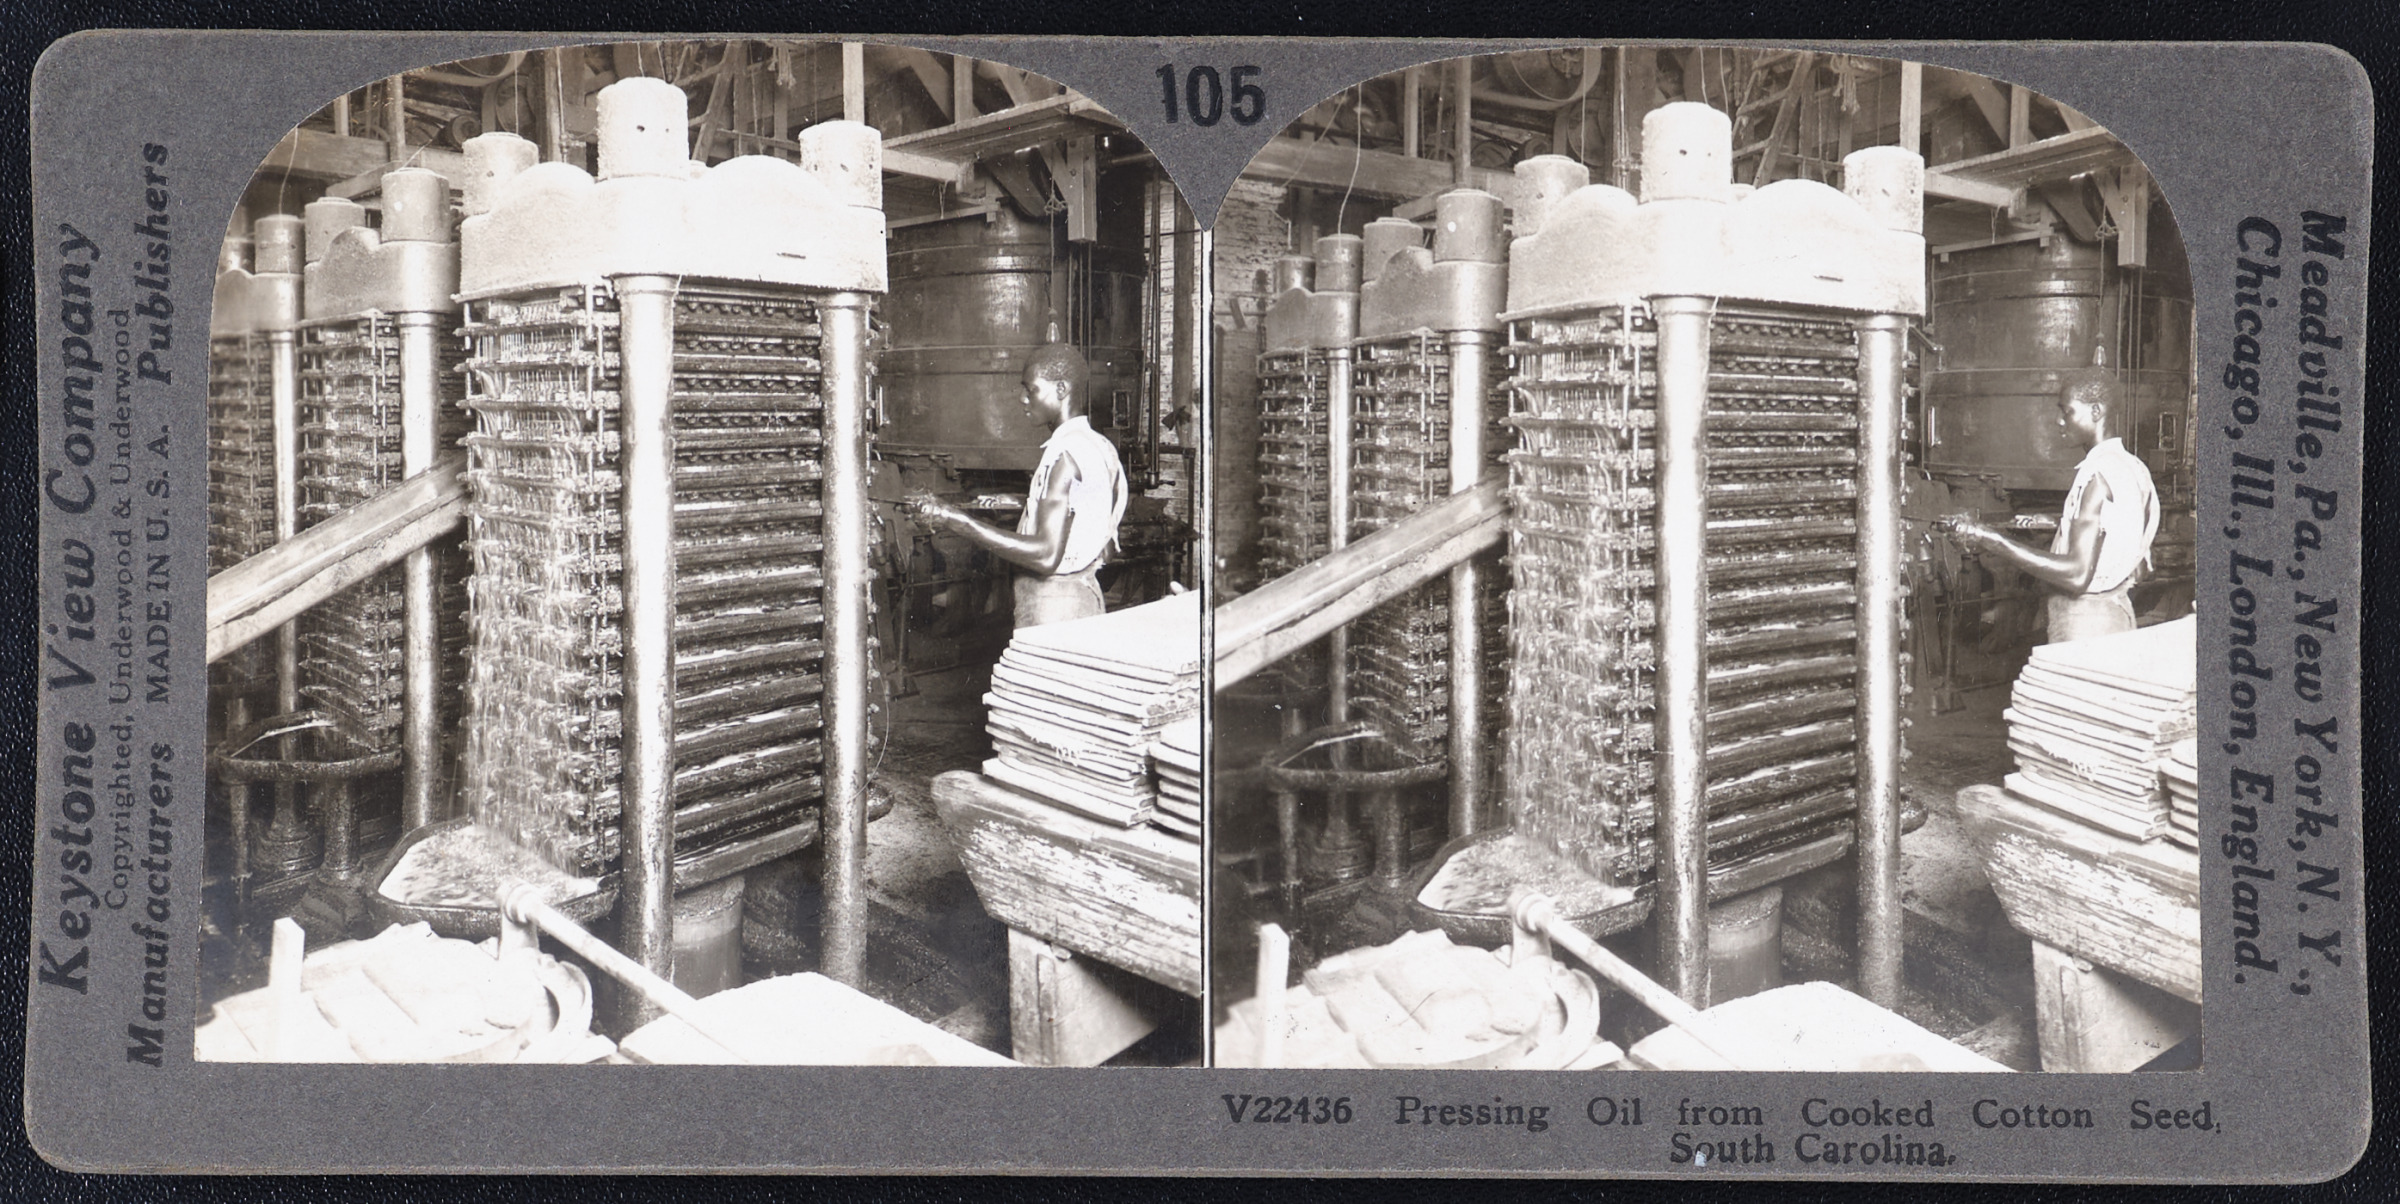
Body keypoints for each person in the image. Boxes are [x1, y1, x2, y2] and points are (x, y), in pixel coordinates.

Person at [905, 341, 1128, 627]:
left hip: (1052, 610)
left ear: (1061, 389)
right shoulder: (1101, 446)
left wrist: (954, 518)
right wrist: (1025, 503)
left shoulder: (1064, 456)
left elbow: (1047, 556)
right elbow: (1103, 543)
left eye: (1031, 389)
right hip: (1086, 600)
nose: (1023, 398)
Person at [1941, 376, 2160, 641]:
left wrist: (1990, 538)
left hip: (2085, 625)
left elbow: (2078, 575)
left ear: (2096, 411)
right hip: (2118, 615)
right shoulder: (2134, 467)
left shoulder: (2097, 475)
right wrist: (2063, 523)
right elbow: (2136, 557)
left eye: (2067, 410)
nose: (2059, 420)